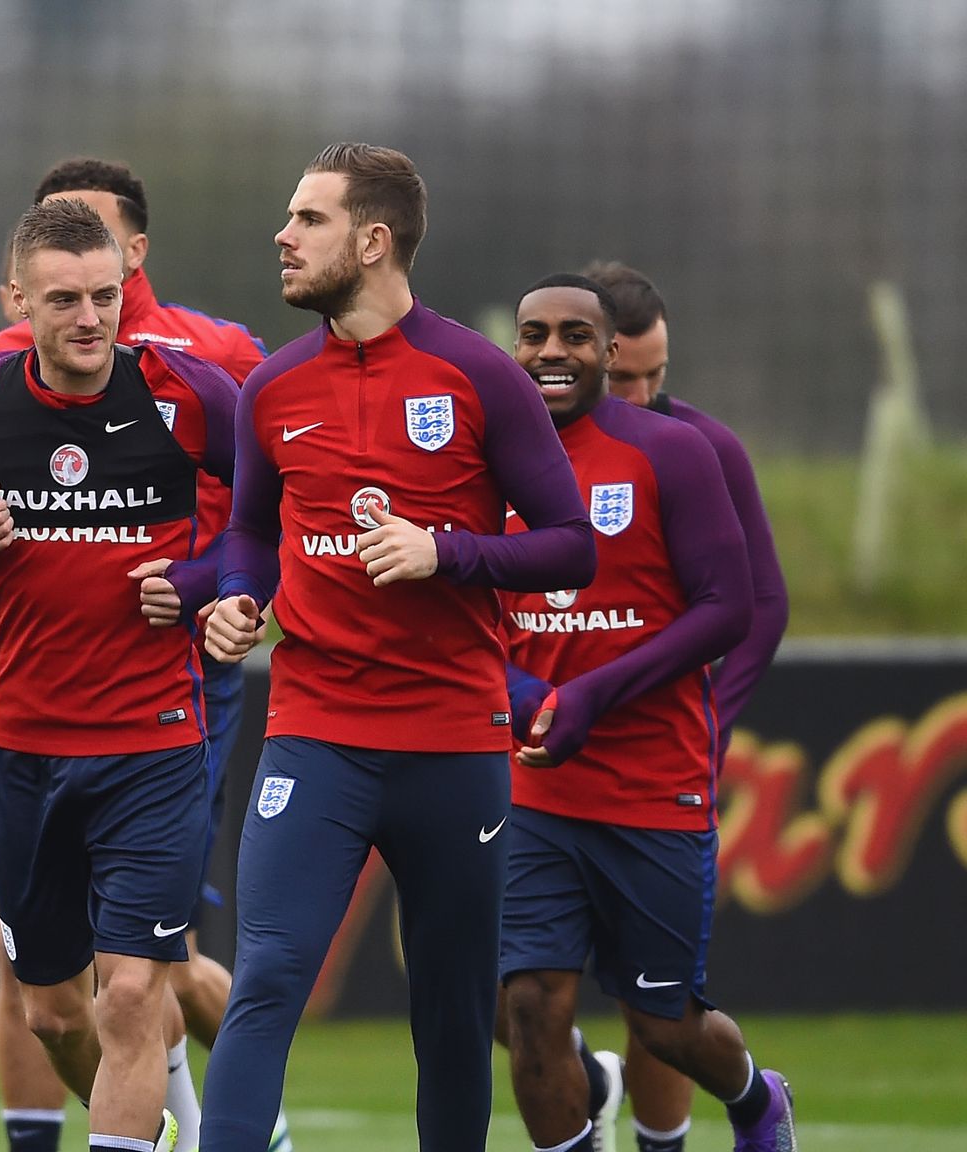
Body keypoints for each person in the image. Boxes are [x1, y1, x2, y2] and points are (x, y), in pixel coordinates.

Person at [201, 143, 598, 1152]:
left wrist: (446, 552)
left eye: (307, 220)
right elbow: (248, 527)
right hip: (314, 735)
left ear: (372, 241)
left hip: (453, 746)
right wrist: (240, 595)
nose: (280, 238)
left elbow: (570, 546)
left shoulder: (477, 375)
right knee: (267, 978)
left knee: (451, 1016)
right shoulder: (275, 388)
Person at [0, 157, 270, 1152]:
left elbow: (263, 521)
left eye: (105, 297)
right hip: (23, 749)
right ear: (17, 300)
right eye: (64, 301)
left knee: (134, 990)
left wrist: (210, 589)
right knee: (52, 1009)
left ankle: (168, 1130)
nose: (91, 319)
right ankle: (159, 1130)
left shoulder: (190, 393)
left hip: (153, 743)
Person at [497, 274, 797, 1152]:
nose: (553, 352)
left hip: (652, 782)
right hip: (534, 790)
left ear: (610, 351)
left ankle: (754, 1101)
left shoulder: (674, 453)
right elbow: (465, 610)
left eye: (576, 337)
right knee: (527, 1006)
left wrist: (593, 693)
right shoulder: (487, 457)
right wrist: (524, 698)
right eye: (535, 335)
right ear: (515, 346)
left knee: (663, 1025)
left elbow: (731, 608)